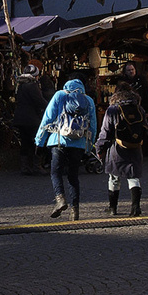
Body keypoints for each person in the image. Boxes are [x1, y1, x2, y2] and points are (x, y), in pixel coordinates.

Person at [37, 79, 97, 220]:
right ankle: (75, 210)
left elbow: (48, 117)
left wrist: (39, 140)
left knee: (55, 172)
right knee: (73, 176)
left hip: (59, 141)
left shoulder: (60, 95)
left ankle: (60, 200)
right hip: (78, 143)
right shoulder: (88, 100)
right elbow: (92, 125)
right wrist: (89, 146)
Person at [97, 85, 148, 216]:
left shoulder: (113, 110)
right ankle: (135, 207)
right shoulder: (139, 109)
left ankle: (112, 208)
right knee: (133, 177)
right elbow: (146, 129)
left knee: (114, 177)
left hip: (117, 148)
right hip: (135, 147)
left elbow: (105, 132)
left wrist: (100, 148)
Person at [12, 70, 46, 176]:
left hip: (20, 118)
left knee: (25, 142)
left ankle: (25, 167)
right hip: (32, 119)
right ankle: (37, 166)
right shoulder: (32, 86)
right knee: (38, 141)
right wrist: (49, 107)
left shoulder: (20, 86)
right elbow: (39, 101)